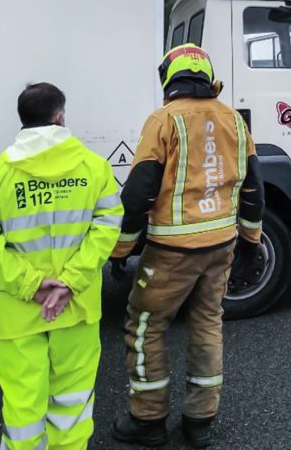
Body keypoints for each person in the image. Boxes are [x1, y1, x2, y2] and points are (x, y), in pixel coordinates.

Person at [112, 45, 264, 449]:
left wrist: (121, 249)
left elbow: (139, 192)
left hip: (171, 252)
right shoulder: (234, 119)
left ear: (170, 77)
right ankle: (199, 421)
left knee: (146, 326)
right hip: (220, 246)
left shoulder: (163, 120)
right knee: (208, 324)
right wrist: (250, 242)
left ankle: (147, 420)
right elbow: (253, 187)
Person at [0, 82, 122, 449]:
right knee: (72, 406)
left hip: (18, 313)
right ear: (59, 116)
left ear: (22, 119)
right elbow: (108, 226)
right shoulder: (94, 167)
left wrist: (32, 285)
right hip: (78, 308)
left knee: (23, 411)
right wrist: (69, 282)